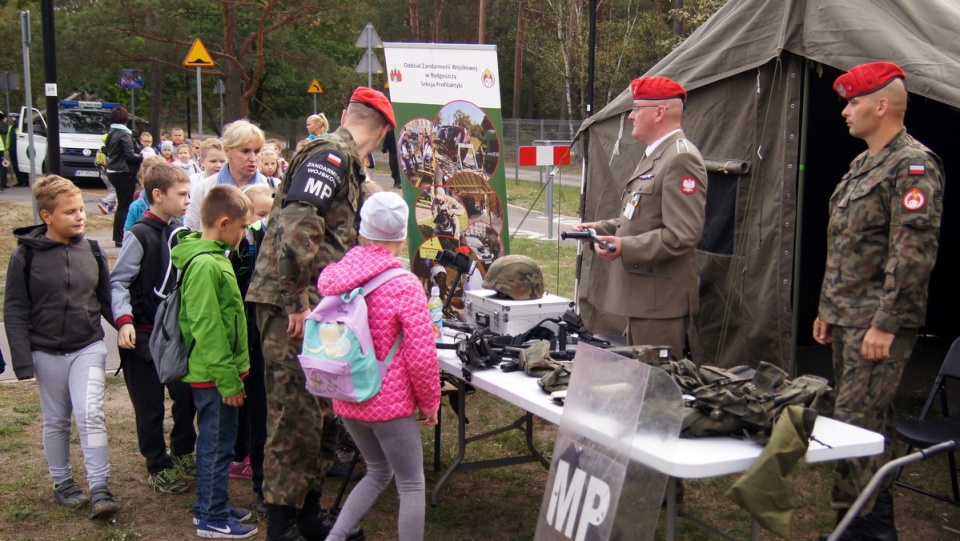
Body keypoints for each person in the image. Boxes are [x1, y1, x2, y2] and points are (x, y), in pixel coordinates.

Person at [245, 86, 395, 541]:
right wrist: (296, 301)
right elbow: (297, 226)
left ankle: (309, 516)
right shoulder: (329, 156)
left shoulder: (345, 163)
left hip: (321, 308)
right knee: (294, 417)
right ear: (383, 129)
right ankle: (281, 525)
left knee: (322, 413)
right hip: (296, 307)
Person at [812, 62, 944, 541]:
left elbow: (912, 254)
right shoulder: (863, 164)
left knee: (854, 426)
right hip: (848, 318)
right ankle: (864, 524)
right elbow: (848, 244)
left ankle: (864, 530)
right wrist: (828, 308)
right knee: (861, 425)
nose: (845, 112)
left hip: (877, 324)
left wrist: (885, 323)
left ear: (881, 106)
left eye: (853, 102)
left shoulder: (913, 165)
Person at [321, 192, 440, 541]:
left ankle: (335, 537)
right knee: (411, 484)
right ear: (402, 239)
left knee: (377, 471)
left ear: (361, 233)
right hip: (389, 400)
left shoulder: (337, 276)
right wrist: (430, 402)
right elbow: (421, 355)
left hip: (347, 392)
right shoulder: (405, 285)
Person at [4, 175, 118, 518]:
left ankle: (100, 487)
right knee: (56, 421)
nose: (80, 216)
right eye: (69, 212)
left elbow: (107, 300)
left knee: (90, 414)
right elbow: (14, 309)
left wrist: (130, 329)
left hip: (88, 347)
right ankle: (63, 482)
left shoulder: (92, 250)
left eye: (81, 209)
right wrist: (23, 361)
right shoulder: (24, 257)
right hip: (45, 353)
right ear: (46, 216)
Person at [573, 76, 707, 356]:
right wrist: (599, 228)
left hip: (660, 301)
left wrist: (624, 247)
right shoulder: (657, 154)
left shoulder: (681, 158)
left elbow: (682, 235)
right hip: (645, 297)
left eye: (637, 108)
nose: (632, 116)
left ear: (659, 112)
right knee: (640, 381)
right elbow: (641, 217)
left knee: (656, 386)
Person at [172, 184, 258, 539]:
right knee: (217, 445)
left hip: (218, 373)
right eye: (242, 228)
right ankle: (213, 517)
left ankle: (208, 505)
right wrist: (228, 380)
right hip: (214, 377)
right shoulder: (206, 264)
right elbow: (208, 327)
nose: (243, 235)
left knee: (216, 443)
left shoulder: (213, 257)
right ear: (224, 223)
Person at [110, 162, 197, 496]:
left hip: (172, 338)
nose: (188, 200)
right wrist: (125, 321)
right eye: (182, 194)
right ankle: (157, 465)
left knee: (185, 396)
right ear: (157, 195)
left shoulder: (179, 232)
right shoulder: (140, 234)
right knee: (149, 408)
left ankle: (183, 451)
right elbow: (118, 282)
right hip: (141, 338)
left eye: (190, 194)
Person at [227, 183, 274, 514]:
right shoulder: (246, 243)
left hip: (284, 339)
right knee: (259, 413)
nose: (265, 220)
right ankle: (261, 483)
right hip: (254, 337)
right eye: (259, 215)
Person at [184, 120, 271, 231]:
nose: (253, 158)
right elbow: (191, 233)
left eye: (257, 151)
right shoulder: (203, 188)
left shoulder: (270, 188)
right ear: (227, 151)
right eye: (245, 151)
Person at [105, 106, 145, 247]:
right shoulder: (124, 134)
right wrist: (142, 156)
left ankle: (119, 237)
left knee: (122, 204)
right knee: (125, 205)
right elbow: (129, 155)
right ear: (126, 119)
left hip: (113, 171)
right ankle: (121, 237)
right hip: (123, 173)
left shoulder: (111, 133)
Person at [123, 156, 168, 232]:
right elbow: (128, 237)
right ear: (143, 180)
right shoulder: (136, 207)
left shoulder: (175, 205)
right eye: (155, 180)